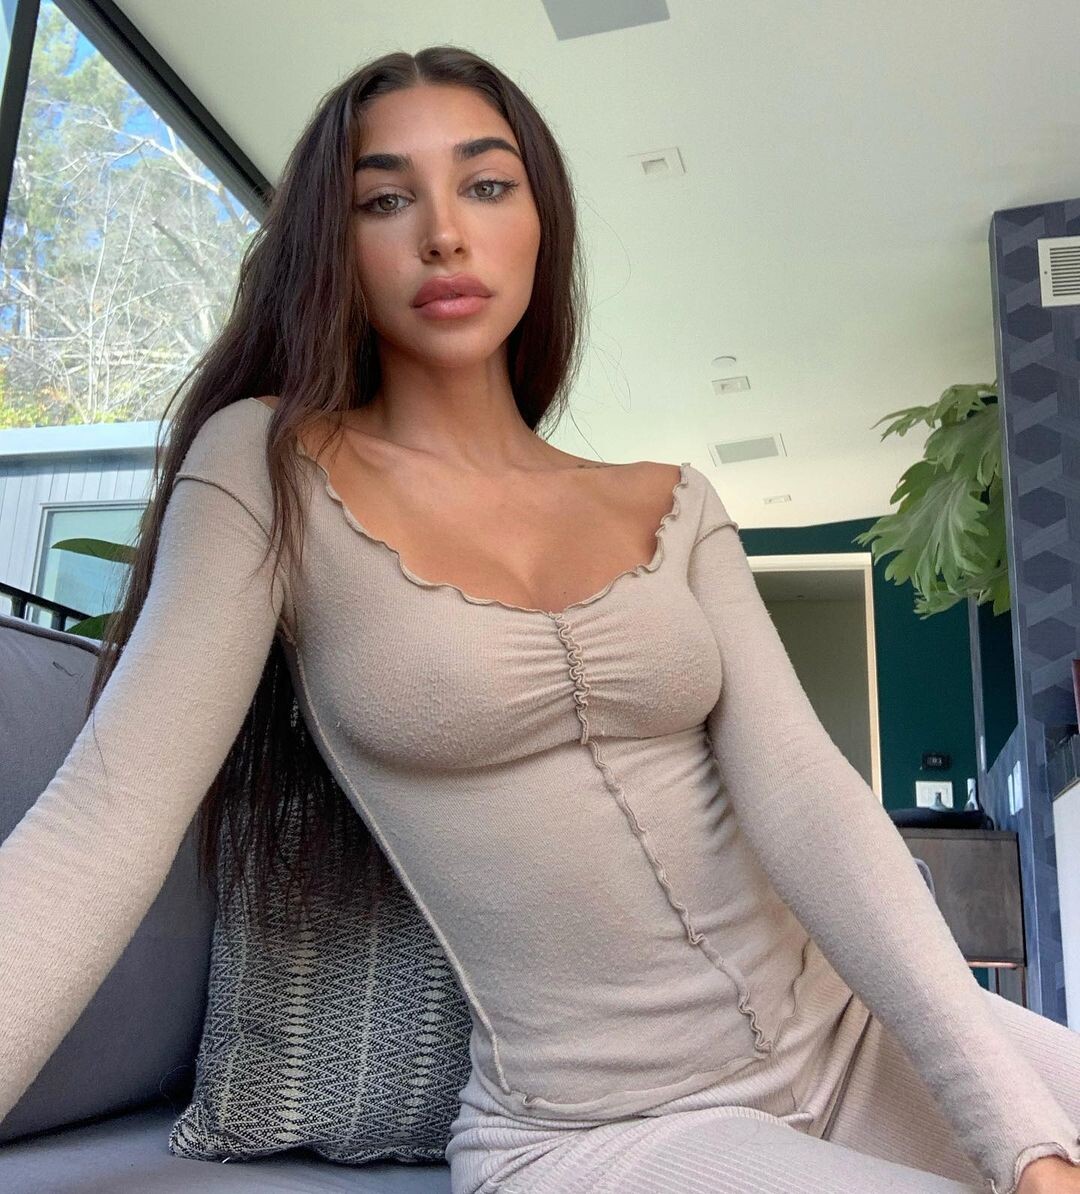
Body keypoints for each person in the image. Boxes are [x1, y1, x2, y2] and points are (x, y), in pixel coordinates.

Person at [1, 45, 1079, 1194]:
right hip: (606, 1128)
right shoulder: (266, 467)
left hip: (853, 1037)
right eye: (384, 199)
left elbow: (809, 798)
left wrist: (1025, 1141)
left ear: (539, 222)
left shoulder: (675, 503)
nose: (443, 234)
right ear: (334, 245)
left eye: (485, 184)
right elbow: (104, 821)